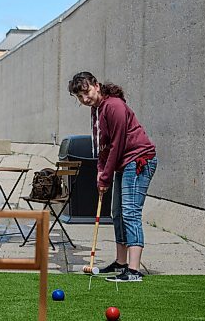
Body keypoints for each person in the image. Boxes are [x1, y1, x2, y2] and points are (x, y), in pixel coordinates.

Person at [68, 71, 157, 282]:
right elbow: (101, 145)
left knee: (130, 212)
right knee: (116, 213)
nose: (84, 99)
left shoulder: (114, 106)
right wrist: (101, 171)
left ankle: (134, 271)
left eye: (87, 92)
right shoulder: (96, 110)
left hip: (139, 160)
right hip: (123, 163)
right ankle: (121, 262)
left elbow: (117, 144)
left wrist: (106, 177)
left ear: (96, 86)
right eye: (80, 97)